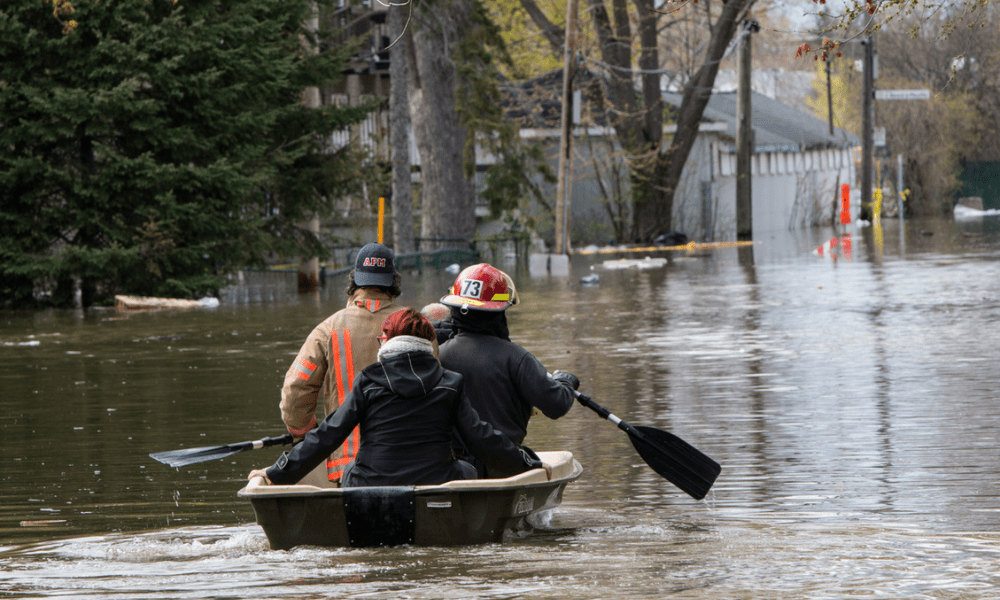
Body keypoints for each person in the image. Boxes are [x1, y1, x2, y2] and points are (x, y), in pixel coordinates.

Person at [249, 308, 546, 487]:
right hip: (437, 482)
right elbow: (482, 439)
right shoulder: (450, 383)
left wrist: (277, 473)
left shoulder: (368, 381)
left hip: (369, 484)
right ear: (427, 343)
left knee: (351, 466)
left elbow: (328, 435)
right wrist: (526, 463)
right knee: (467, 468)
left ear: (386, 342)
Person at [437, 263, 579, 478]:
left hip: (450, 469)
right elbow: (557, 404)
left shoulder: (435, 356)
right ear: (499, 312)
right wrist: (566, 381)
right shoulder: (517, 358)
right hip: (505, 466)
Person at [279, 242, 402, 483]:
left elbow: (295, 391)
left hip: (348, 466)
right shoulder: (417, 324)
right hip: (410, 460)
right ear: (394, 281)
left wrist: (305, 435)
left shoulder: (328, 329)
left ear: (354, 280)